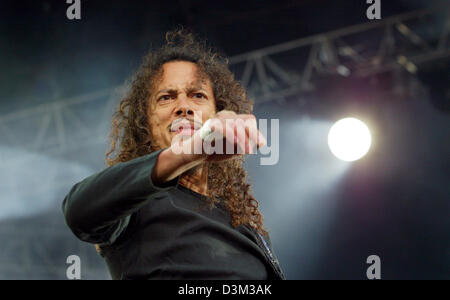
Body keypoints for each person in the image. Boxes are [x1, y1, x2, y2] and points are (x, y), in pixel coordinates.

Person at [62, 29, 285, 280]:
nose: (184, 106)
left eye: (198, 96)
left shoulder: (244, 223)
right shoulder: (134, 204)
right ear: (145, 123)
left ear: (216, 112)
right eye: (166, 97)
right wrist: (188, 152)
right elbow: (78, 211)